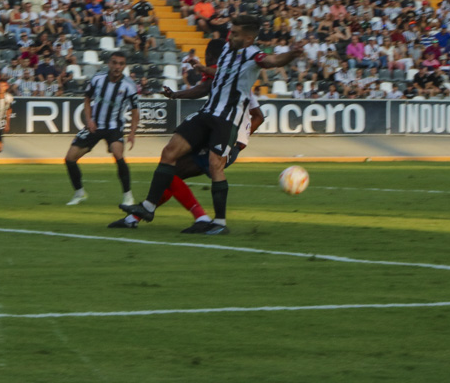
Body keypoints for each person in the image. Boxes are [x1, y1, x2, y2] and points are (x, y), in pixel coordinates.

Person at [121, 15, 305, 234]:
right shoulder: (228, 50)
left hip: (226, 119)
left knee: (214, 164)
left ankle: (219, 222)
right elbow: (221, 73)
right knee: (169, 152)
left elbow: (273, 61)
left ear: (247, 38)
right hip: (207, 113)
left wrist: (292, 54)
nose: (230, 35)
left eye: (235, 33)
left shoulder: (253, 55)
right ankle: (148, 207)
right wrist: (202, 68)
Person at [110, 39, 265, 232]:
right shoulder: (241, 84)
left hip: (222, 139)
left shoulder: (223, 74)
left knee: (171, 168)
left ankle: (202, 218)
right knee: (170, 171)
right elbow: (258, 116)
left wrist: (235, 139)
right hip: (223, 138)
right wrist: (241, 139)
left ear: (211, 56)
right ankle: (135, 217)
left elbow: (203, 89)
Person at [65, 52, 139, 206]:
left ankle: (128, 195)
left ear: (124, 66)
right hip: (95, 125)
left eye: (121, 63)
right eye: (114, 63)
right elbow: (87, 98)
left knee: (118, 154)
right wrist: (89, 119)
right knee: (70, 158)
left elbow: (135, 111)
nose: (117, 67)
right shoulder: (98, 79)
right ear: (109, 63)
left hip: (114, 127)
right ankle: (79, 193)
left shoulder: (129, 86)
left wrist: (132, 133)